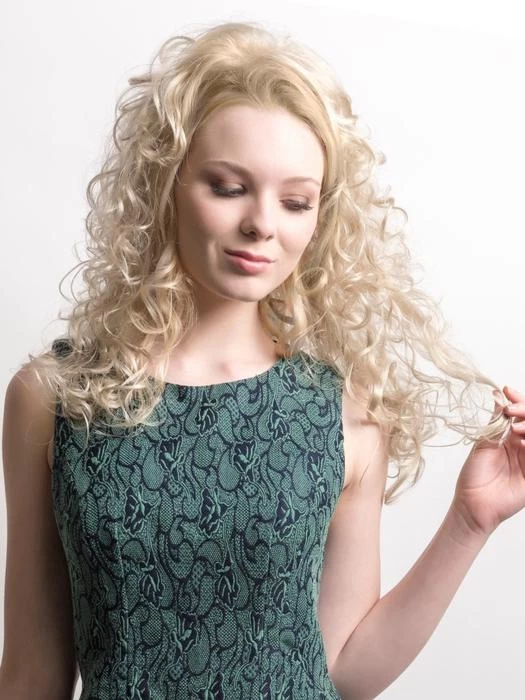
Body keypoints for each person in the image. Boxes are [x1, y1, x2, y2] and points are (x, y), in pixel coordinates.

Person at [1, 20, 523, 700]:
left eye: (296, 201)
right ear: (166, 183)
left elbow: (343, 670)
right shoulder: (55, 396)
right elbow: (32, 675)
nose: (263, 224)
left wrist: (469, 522)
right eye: (227, 187)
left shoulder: (344, 408)